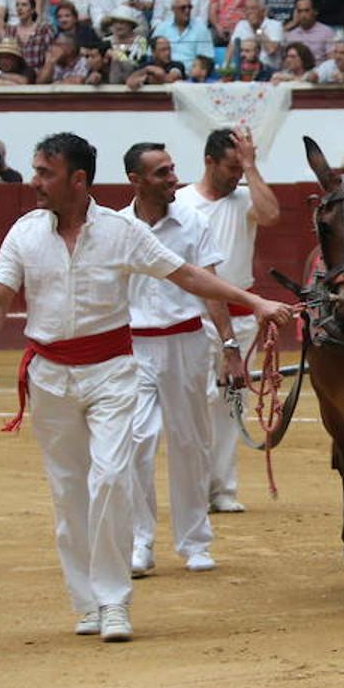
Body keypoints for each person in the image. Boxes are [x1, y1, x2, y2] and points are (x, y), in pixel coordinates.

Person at [0, 132, 292, 642]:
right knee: (68, 493)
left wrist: (255, 304)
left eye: (44, 173)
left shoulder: (119, 231)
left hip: (114, 370)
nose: (35, 182)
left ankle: (115, 600)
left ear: (77, 179)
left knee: (112, 478)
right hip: (50, 376)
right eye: (35, 171)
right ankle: (88, 603)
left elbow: (188, 276)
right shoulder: (25, 233)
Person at [121, 142, 229, 577]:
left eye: (172, 169)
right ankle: (138, 541)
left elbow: (210, 287)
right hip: (133, 346)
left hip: (186, 342)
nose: (173, 179)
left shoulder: (193, 221)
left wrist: (231, 345)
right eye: (162, 173)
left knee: (190, 444)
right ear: (136, 181)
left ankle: (194, 541)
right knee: (135, 444)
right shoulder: (116, 227)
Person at [175, 129, 283, 514]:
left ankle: (221, 488)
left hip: (239, 317)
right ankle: (195, 487)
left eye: (243, 167)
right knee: (196, 403)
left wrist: (252, 166)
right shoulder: (182, 202)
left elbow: (271, 214)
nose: (238, 175)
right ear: (209, 161)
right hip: (191, 314)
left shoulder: (244, 199)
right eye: (232, 167)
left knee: (229, 402)